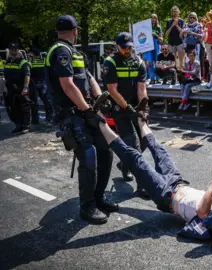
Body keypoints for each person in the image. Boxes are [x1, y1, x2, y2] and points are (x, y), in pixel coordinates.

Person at [93, 98, 212, 239]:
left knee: (135, 158)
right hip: (177, 182)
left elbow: (202, 212)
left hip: (165, 195)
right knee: (159, 149)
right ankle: (140, 118)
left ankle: (99, 121)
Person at [45, 15, 115, 224]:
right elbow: (67, 85)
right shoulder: (60, 51)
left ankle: (99, 197)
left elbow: (89, 77)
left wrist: (101, 97)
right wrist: (87, 109)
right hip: (71, 114)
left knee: (105, 150)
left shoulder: (76, 52)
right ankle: (87, 207)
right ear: (75, 31)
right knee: (88, 155)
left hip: (86, 111)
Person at [103, 32, 149, 198]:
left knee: (145, 141)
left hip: (135, 106)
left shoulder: (138, 61)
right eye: (124, 48)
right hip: (119, 108)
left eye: (129, 47)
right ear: (117, 46)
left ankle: (124, 164)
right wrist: (127, 108)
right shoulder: (110, 62)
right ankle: (143, 185)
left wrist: (143, 108)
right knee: (133, 143)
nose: (127, 50)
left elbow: (141, 87)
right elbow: (112, 90)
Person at [4, 43, 31, 134]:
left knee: (25, 107)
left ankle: (26, 126)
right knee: (14, 108)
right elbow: (6, 76)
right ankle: (18, 125)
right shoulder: (8, 61)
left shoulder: (23, 62)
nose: (13, 51)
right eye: (11, 49)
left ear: (18, 50)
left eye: (15, 49)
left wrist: (25, 87)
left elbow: (27, 75)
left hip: (21, 88)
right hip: (10, 88)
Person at [29, 48, 54, 123]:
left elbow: (28, 73)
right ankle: (49, 118)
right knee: (47, 101)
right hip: (44, 83)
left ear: (33, 54)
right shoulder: (44, 60)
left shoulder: (30, 62)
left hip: (34, 84)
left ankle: (35, 120)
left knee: (34, 102)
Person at [143, 14, 163, 84]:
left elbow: (161, 39)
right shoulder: (147, 28)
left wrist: (156, 35)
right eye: (152, 18)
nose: (153, 19)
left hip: (156, 44)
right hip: (149, 45)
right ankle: (152, 78)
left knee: (157, 61)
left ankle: (158, 78)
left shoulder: (158, 27)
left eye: (154, 18)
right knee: (150, 62)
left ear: (156, 19)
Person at [204, 9, 212, 80]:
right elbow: (206, 34)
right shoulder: (208, 24)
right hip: (208, 44)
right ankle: (211, 78)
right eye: (211, 15)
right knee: (210, 61)